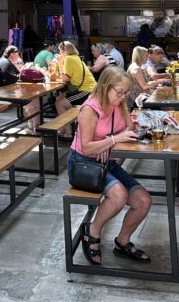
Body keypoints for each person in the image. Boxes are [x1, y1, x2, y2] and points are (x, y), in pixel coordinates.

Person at [70, 66, 152, 266]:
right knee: (119, 195)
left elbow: (127, 127)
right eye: (120, 92)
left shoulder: (118, 105)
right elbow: (87, 148)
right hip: (83, 164)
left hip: (107, 163)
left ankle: (122, 241)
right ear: (105, 87)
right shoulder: (90, 109)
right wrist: (113, 139)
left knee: (143, 201)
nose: (123, 97)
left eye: (126, 92)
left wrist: (133, 127)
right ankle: (92, 232)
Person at [55, 40, 97, 118]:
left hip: (87, 90)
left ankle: (67, 129)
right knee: (59, 98)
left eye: (60, 51)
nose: (60, 53)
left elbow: (65, 78)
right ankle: (69, 122)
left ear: (65, 51)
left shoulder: (68, 59)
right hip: (91, 88)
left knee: (59, 103)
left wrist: (60, 62)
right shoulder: (76, 57)